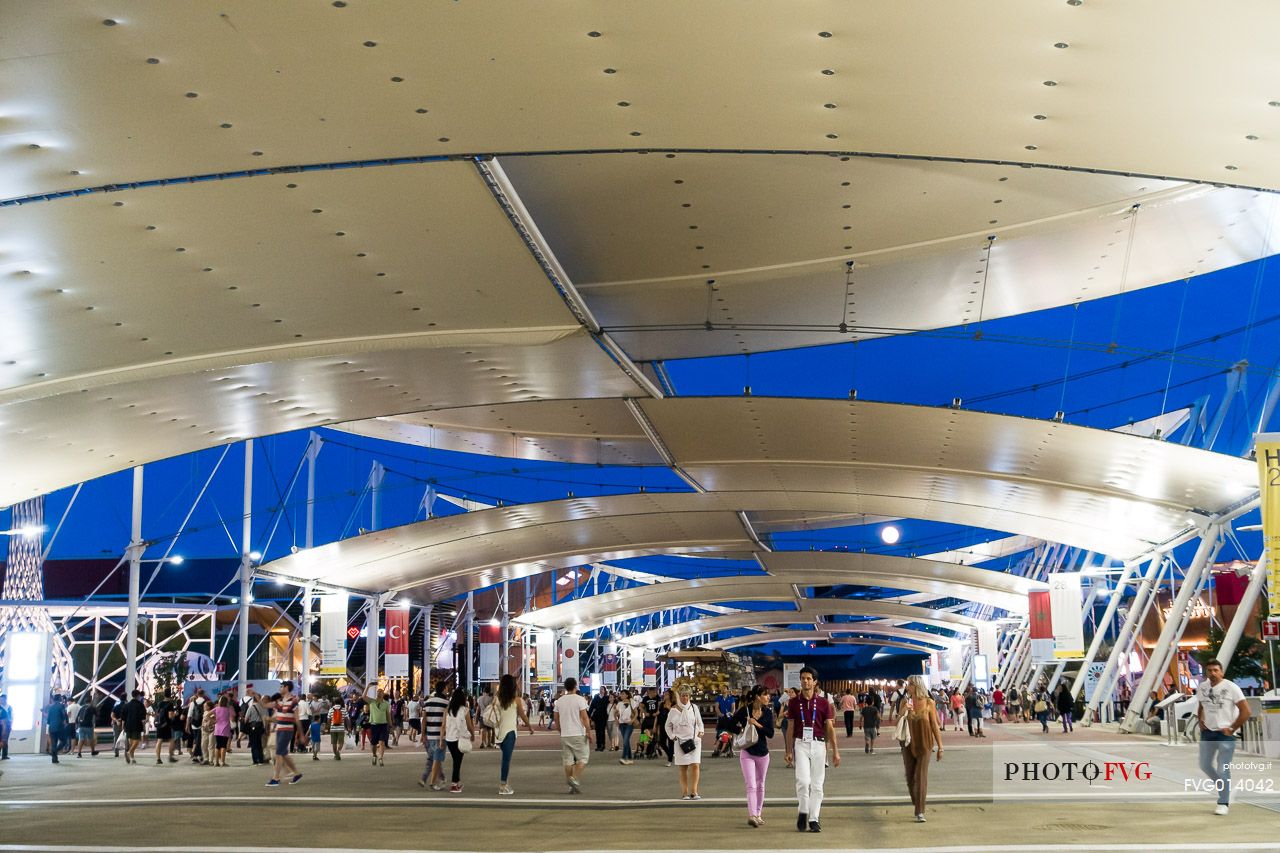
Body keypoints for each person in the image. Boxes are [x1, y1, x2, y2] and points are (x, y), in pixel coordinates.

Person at [784, 666, 839, 833]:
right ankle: (803, 812)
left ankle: (814, 818)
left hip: (819, 744)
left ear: (815, 682)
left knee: (817, 785)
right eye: (803, 678)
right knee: (803, 781)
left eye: (808, 678)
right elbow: (790, 728)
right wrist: (788, 750)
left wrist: (835, 751)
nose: (805, 681)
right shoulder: (793, 702)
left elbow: (829, 727)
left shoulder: (824, 703)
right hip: (800, 744)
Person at [1196, 658, 1251, 816]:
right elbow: (1201, 705)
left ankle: (1223, 802)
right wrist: (1200, 720)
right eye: (1209, 670)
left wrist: (1233, 727)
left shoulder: (1231, 687)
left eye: (1216, 670)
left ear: (1222, 672)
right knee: (1205, 765)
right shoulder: (1203, 687)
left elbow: (1246, 711)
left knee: (1223, 768)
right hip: (1207, 733)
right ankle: (1224, 787)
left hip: (1225, 734)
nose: (1212, 673)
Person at [897, 674, 944, 823]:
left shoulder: (929, 702)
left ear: (916, 685)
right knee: (910, 777)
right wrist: (904, 710)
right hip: (908, 743)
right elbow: (898, 721)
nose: (907, 686)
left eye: (909, 684)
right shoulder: (904, 701)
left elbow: (934, 725)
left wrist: (941, 747)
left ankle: (920, 811)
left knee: (921, 776)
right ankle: (916, 801)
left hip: (925, 743)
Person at [732, 685, 774, 827]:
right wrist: (741, 729)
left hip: (763, 753)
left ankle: (758, 813)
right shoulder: (745, 710)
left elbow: (771, 733)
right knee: (751, 785)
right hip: (747, 752)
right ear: (757, 696)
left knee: (760, 784)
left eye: (768, 695)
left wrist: (757, 724)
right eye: (765, 695)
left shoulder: (767, 712)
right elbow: (731, 723)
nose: (768, 697)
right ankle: (752, 815)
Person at [494, 673, 535, 795]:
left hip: (499, 731)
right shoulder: (516, 700)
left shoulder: (497, 699)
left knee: (505, 759)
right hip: (510, 732)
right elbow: (522, 715)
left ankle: (504, 782)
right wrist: (530, 727)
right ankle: (503, 785)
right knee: (506, 759)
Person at [665, 684, 704, 800]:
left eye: (687, 695)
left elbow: (700, 722)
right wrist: (672, 736)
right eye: (682, 696)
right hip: (680, 742)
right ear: (679, 696)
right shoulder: (673, 710)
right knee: (683, 768)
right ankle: (684, 793)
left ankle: (694, 792)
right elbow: (667, 726)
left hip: (694, 741)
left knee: (695, 765)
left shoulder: (694, 707)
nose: (685, 698)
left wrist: (701, 731)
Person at [553, 677, 591, 793]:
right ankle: (573, 779)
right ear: (575, 686)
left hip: (565, 734)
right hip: (578, 733)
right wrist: (589, 731)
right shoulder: (580, 699)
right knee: (583, 758)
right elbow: (584, 717)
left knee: (568, 760)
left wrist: (560, 730)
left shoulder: (559, 701)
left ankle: (571, 786)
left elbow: (556, 718)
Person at [262, 680, 303, 787]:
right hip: (279, 730)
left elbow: (297, 719)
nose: (280, 688)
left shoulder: (293, 701)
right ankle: (297, 774)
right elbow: (265, 705)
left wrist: (301, 735)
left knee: (279, 753)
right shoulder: (279, 701)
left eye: (281, 686)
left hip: (287, 730)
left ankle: (276, 778)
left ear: (286, 688)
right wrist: (256, 696)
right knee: (283, 753)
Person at [419, 680, 451, 790]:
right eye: (446, 688)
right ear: (443, 689)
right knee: (437, 760)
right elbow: (446, 721)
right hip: (440, 736)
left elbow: (424, 720)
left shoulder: (427, 702)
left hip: (429, 735)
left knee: (434, 759)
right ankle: (435, 782)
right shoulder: (446, 703)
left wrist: (423, 734)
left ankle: (439, 779)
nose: (447, 690)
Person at [442, 687, 474, 793]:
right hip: (459, 738)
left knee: (456, 760)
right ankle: (454, 784)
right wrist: (473, 734)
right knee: (457, 762)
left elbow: (443, 725)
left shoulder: (447, 710)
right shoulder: (465, 710)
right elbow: (469, 725)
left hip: (449, 739)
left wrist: (441, 739)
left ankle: (457, 781)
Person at [114, 690, 146, 765]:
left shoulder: (126, 705)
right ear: (138, 696)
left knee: (131, 742)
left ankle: (132, 758)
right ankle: (129, 753)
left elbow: (123, 718)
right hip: (136, 725)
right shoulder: (140, 705)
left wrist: (123, 727)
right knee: (137, 741)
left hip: (127, 726)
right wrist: (144, 725)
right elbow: (143, 717)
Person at [367, 689, 391, 766]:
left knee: (382, 742)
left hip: (383, 724)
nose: (379, 693)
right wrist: (368, 686)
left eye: (381, 692)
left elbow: (388, 714)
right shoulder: (372, 701)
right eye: (377, 691)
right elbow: (363, 696)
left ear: (383, 694)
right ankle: (374, 755)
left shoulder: (386, 703)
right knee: (373, 743)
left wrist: (390, 724)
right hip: (374, 724)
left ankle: (381, 757)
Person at [151, 691, 175, 764]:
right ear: (170, 696)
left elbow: (157, 713)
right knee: (171, 740)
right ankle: (170, 756)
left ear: (164, 696)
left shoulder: (160, 703)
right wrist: (175, 714)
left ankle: (158, 759)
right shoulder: (170, 704)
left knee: (159, 741)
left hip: (159, 724)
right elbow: (170, 716)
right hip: (166, 724)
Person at [712, 685, 737, 758]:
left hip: (729, 718)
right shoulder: (718, 698)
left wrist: (731, 713)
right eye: (722, 688)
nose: (723, 689)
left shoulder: (731, 698)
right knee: (719, 734)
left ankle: (731, 750)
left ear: (727, 690)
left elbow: (733, 707)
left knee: (731, 734)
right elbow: (716, 707)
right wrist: (720, 714)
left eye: (725, 688)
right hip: (722, 718)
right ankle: (717, 749)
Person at [46, 694, 69, 763]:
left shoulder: (50, 707)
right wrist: (66, 722)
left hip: (51, 727)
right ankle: (55, 751)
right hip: (59, 726)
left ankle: (54, 759)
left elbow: (48, 720)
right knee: (64, 741)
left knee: (54, 742)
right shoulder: (61, 706)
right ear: (59, 699)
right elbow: (64, 715)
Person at [614, 690, 636, 764]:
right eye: (621, 694)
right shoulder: (619, 703)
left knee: (626, 740)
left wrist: (632, 720)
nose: (621, 695)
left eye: (623, 694)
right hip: (621, 724)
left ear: (627, 695)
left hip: (629, 724)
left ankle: (624, 757)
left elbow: (636, 713)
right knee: (626, 741)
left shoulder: (631, 702)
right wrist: (616, 720)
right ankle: (630, 758)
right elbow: (615, 713)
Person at [212, 693, 233, 766]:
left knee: (217, 746)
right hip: (225, 728)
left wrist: (214, 720)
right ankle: (222, 762)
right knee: (223, 746)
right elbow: (232, 717)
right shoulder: (228, 709)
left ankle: (216, 762)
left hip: (217, 728)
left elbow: (207, 715)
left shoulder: (216, 709)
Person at [76, 693, 100, 758]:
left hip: (81, 726)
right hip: (89, 726)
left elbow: (77, 717)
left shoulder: (82, 708)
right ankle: (93, 751)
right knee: (91, 739)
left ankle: (79, 753)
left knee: (81, 739)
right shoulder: (92, 708)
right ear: (90, 701)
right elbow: (97, 715)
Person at [0, 694, 11, 760]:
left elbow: (11, 717)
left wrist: (10, 725)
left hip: (6, 726)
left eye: (2, 699)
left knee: (4, 740)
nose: (1, 701)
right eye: (0, 699)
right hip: (2, 725)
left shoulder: (9, 707)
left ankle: (4, 755)